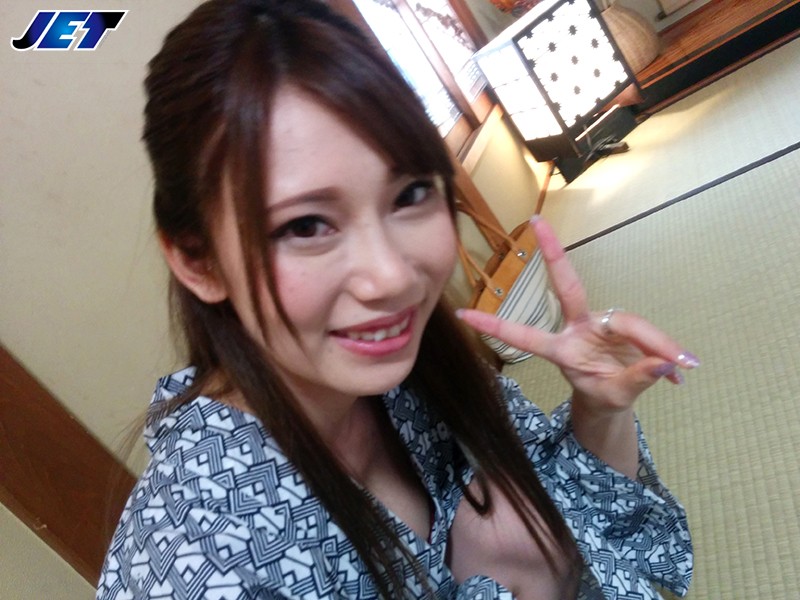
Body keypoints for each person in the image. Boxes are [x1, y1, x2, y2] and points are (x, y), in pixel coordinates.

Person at [96, 1, 696, 598]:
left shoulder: (411, 367)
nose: (391, 277)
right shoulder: (194, 563)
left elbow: (577, 519)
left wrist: (600, 408)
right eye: (306, 226)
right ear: (199, 262)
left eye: (409, 194)